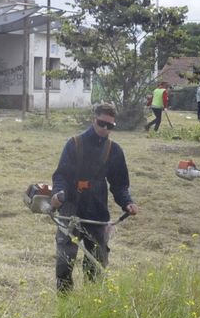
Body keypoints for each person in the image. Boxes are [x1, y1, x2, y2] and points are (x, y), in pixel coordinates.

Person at [51, 103, 141, 292]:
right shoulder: (74, 143)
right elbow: (61, 175)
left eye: (110, 126)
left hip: (97, 210)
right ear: (94, 119)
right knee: (64, 262)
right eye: (102, 124)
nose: (105, 129)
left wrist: (127, 202)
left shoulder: (114, 150)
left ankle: (91, 303)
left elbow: (120, 184)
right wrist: (59, 193)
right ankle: (65, 304)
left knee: (97, 263)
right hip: (71, 208)